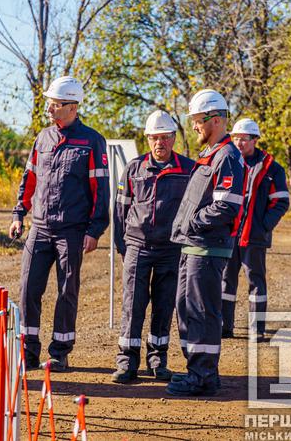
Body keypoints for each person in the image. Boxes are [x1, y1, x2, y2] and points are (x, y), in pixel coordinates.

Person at [9, 76, 110, 372]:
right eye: (50, 104)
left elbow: (100, 190)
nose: (50, 110)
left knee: (67, 291)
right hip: (40, 227)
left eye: (55, 105)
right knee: (28, 288)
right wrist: (18, 213)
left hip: (72, 230)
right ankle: (27, 351)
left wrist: (95, 230)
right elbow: (30, 179)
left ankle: (60, 352)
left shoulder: (92, 140)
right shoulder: (43, 138)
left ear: (72, 106)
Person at [165, 89, 244, 396]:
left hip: (208, 247)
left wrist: (192, 222)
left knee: (202, 310)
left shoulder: (227, 156)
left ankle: (203, 376)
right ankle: (197, 371)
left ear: (214, 120)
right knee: (186, 309)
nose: (194, 126)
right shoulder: (209, 155)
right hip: (193, 245)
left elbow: (227, 205)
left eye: (198, 121)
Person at [111, 110, 195, 384]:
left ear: (173, 139)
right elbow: (120, 211)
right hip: (138, 246)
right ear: (147, 139)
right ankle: (127, 362)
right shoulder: (134, 169)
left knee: (164, 305)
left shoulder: (188, 169)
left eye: (165, 137)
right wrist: (123, 247)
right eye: (155, 138)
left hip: (172, 250)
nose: (160, 143)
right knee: (132, 304)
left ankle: (158, 361)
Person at [221, 119, 289, 341]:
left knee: (255, 282)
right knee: (225, 281)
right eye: (236, 138)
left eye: (244, 138)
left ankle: (256, 329)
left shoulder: (271, 168)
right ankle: (224, 326)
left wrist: (263, 226)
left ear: (255, 140)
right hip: (229, 234)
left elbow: (281, 201)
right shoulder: (228, 162)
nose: (239, 142)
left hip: (254, 236)